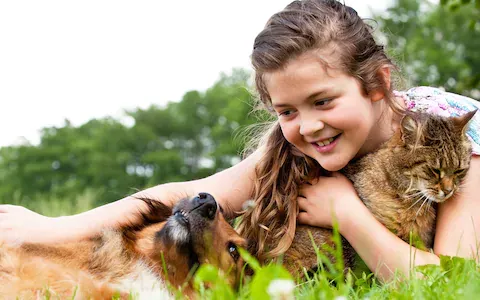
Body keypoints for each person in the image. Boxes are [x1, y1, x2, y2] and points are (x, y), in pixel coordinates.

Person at [1, 0, 479, 283]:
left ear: (377, 83)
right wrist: (51, 227)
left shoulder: (456, 136)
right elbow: (182, 195)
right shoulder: (293, 145)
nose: (308, 127)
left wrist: (349, 216)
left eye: (323, 101)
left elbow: (450, 277)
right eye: (287, 111)